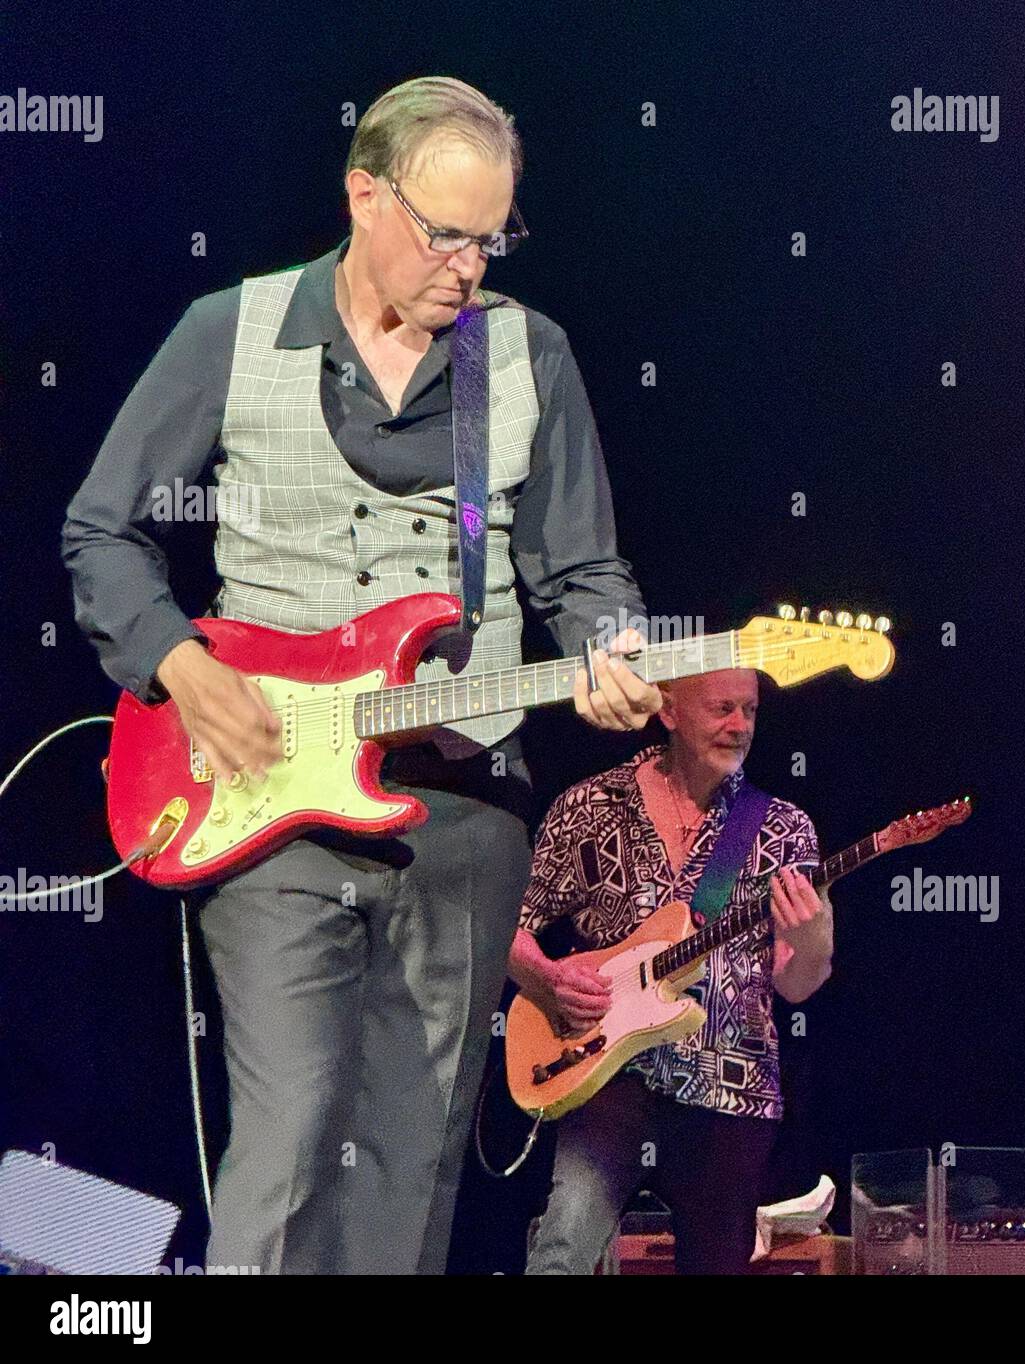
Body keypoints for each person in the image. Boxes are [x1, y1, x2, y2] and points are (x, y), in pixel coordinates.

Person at [61, 76, 661, 1274]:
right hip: (268, 797)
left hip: (465, 803)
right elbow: (101, 528)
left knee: (413, 1153)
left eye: (494, 238)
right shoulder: (229, 331)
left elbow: (582, 569)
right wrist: (181, 661)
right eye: (446, 233)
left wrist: (614, 645)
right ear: (363, 197)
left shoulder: (526, 356)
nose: (469, 268)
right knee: (288, 1133)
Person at [509, 669, 834, 1274]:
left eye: (750, 710)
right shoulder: (590, 806)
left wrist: (811, 935)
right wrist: (549, 980)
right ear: (668, 711)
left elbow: (797, 983)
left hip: (730, 1089)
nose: (739, 726)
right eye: (720, 709)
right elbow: (508, 926)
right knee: (563, 1252)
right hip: (606, 1071)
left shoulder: (784, 828)